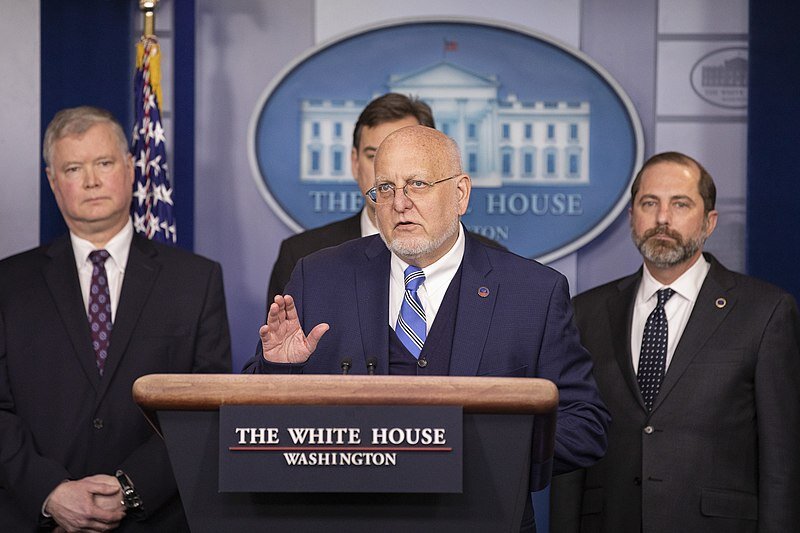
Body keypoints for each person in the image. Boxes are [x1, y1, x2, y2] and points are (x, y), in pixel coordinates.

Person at [244, 125, 610, 530]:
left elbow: (585, 424)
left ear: (460, 194)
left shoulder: (533, 293)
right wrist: (280, 370)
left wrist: (484, 450)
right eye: (385, 188)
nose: (400, 203)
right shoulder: (319, 277)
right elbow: (254, 421)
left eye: (417, 184)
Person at [0, 106, 232, 531]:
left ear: (129, 168)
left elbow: (207, 406)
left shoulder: (196, 280)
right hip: (36, 519)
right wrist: (51, 491)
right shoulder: (9, 284)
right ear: (54, 182)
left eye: (104, 163)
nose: (91, 180)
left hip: (157, 518)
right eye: (73, 168)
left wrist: (129, 488)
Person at [550, 151, 800, 532]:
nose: (662, 218)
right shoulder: (586, 312)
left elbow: (782, 459)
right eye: (649, 203)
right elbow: (571, 449)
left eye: (680, 204)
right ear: (632, 216)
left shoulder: (765, 312)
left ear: (710, 221)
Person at [265, 92, 502, 308]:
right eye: (374, 156)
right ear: (355, 163)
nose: (387, 168)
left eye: (405, 155)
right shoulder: (304, 260)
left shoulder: (496, 265)